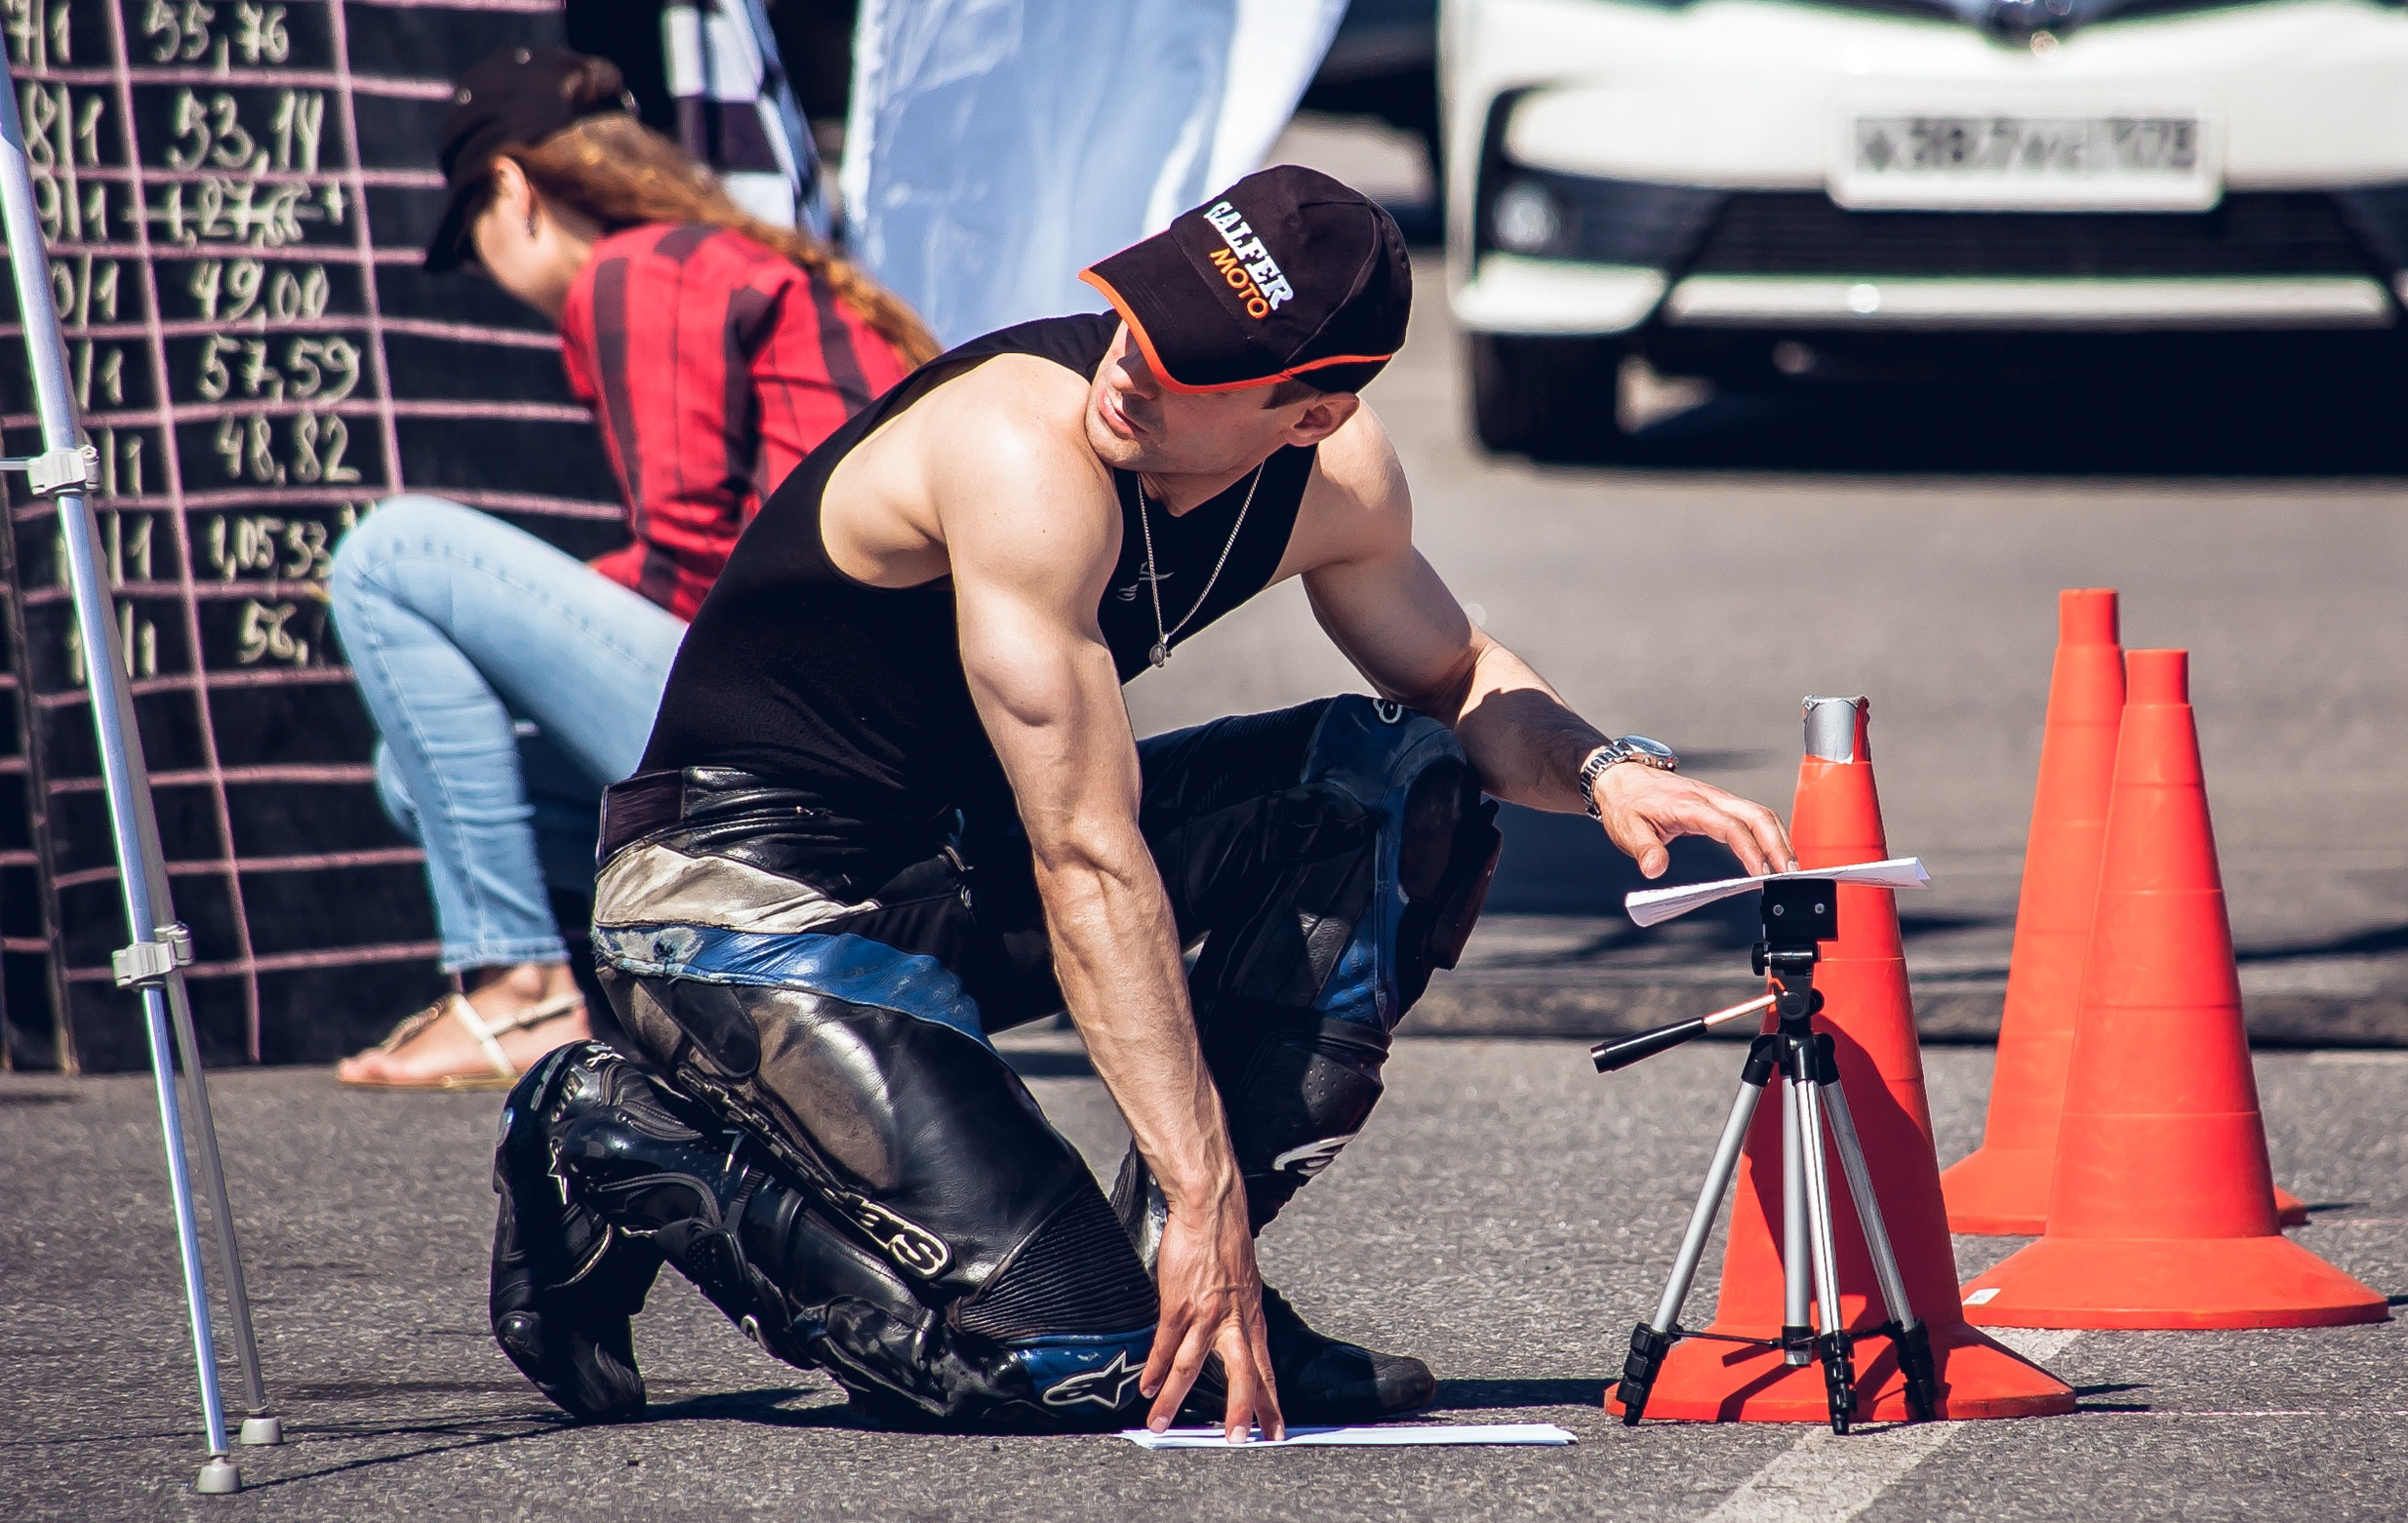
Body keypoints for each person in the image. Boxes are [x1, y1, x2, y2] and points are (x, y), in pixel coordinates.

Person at [488, 167, 1796, 1438]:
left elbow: (1457, 676)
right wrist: (1204, 1170)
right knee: (1056, 1365)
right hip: (732, 893)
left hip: (942, 869)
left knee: (1400, 779)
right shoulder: (1023, 447)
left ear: (1312, 412)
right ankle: (606, 1131)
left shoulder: (1335, 482)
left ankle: (1185, 1274)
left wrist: (1605, 764)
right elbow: (1085, 853)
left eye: (1190, 359)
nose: (1131, 359)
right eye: (1140, 308)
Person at [329, 47, 937, 1091]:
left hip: (822, 750)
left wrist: (498, 616)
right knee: (418, 775)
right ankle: (755, 969)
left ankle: (522, 992)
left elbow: (694, 567)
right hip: (899, 771)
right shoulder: (733, 259)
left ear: (513, 191)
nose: (486, 275)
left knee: (397, 552)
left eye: (472, 241)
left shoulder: (638, 269)